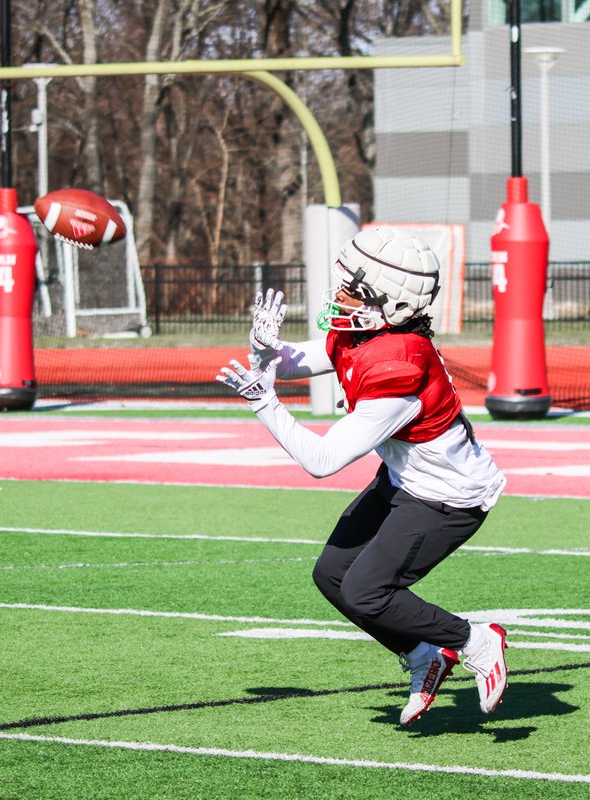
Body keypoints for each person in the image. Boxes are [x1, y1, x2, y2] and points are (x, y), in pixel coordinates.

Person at [216, 225, 509, 726]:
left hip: (448, 498)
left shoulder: (400, 365)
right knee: (331, 576)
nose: (342, 295)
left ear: (393, 306)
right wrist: (267, 350)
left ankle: (475, 641)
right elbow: (300, 360)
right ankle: (423, 657)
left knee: (367, 592)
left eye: (357, 289)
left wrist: (265, 404)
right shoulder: (369, 331)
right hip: (403, 480)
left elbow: (322, 460)